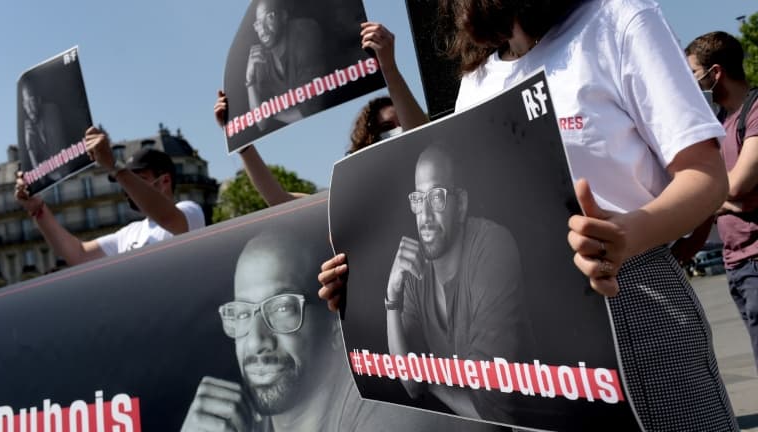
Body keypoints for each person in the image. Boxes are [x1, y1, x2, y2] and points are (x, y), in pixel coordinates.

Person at [319, 0, 739, 430]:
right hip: (534, 347)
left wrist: (627, 235)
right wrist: (365, 286)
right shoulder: (476, 84)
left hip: (633, 302)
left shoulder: (617, 19)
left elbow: (705, 176)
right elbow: (456, 237)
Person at [180, 229, 498, 432]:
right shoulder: (238, 422)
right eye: (242, 314)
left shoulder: (387, 413)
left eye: (282, 308)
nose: (258, 340)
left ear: (335, 326)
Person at [385, 145, 532, 421]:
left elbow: (495, 409)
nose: (425, 216)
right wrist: (392, 297)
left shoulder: (492, 247)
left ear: (461, 204)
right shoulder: (417, 271)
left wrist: (426, 378)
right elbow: (409, 383)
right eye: (418, 200)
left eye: (437, 197)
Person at [215, 21, 427, 205]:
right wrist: (242, 142)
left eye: (402, 122)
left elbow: (421, 138)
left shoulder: (433, 182)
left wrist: (388, 67)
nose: (400, 129)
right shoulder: (354, 199)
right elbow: (279, 199)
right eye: (387, 127)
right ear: (367, 140)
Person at [15, 126, 206, 265]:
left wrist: (115, 166)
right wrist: (38, 209)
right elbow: (77, 254)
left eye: (139, 179)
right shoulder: (128, 234)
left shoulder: (190, 211)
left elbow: (168, 218)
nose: (128, 189)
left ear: (165, 181)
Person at [686, 31, 758, 373]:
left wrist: (716, 197)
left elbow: (738, 183)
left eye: (693, 73)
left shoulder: (755, 111)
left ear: (715, 73)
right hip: (736, 262)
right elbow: (718, 194)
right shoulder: (718, 124)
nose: (689, 83)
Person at [245, 0, 326, 131]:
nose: (263, 29)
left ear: (283, 16)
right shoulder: (261, 59)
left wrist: (271, 114)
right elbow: (261, 122)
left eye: (269, 17)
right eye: (258, 23)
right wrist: (250, 80)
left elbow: (311, 109)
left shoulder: (305, 32)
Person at [19, 79, 68, 178]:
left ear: (39, 100)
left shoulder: (51, 111)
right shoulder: (29, 128)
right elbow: (39, 178)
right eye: (25, 103)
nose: (28, 108)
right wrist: (30, 148)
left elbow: (59, 150)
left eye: (31, 100)